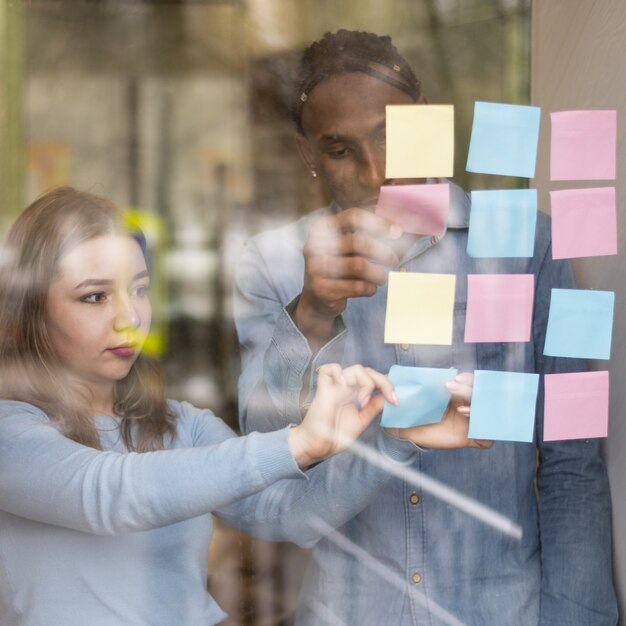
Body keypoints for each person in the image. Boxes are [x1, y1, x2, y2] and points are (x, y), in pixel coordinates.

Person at [234, 29, 618, 625]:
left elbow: (575, 461)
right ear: (309, 155)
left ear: (427, 121)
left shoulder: (535, 244)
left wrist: (579, 619)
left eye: (389, 132)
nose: (377, 170)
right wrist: (311, 312)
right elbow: (263, 455)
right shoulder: (272, 262)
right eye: (339, 149)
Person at [0, 186, 485, 626]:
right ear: (29, 312)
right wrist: (299, 442)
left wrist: (393, 442)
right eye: (95, 297)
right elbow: (111, 496)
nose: (129, 318)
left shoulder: (178, 425)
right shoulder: (11, 432)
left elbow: (289, 514)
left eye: (140, 289)